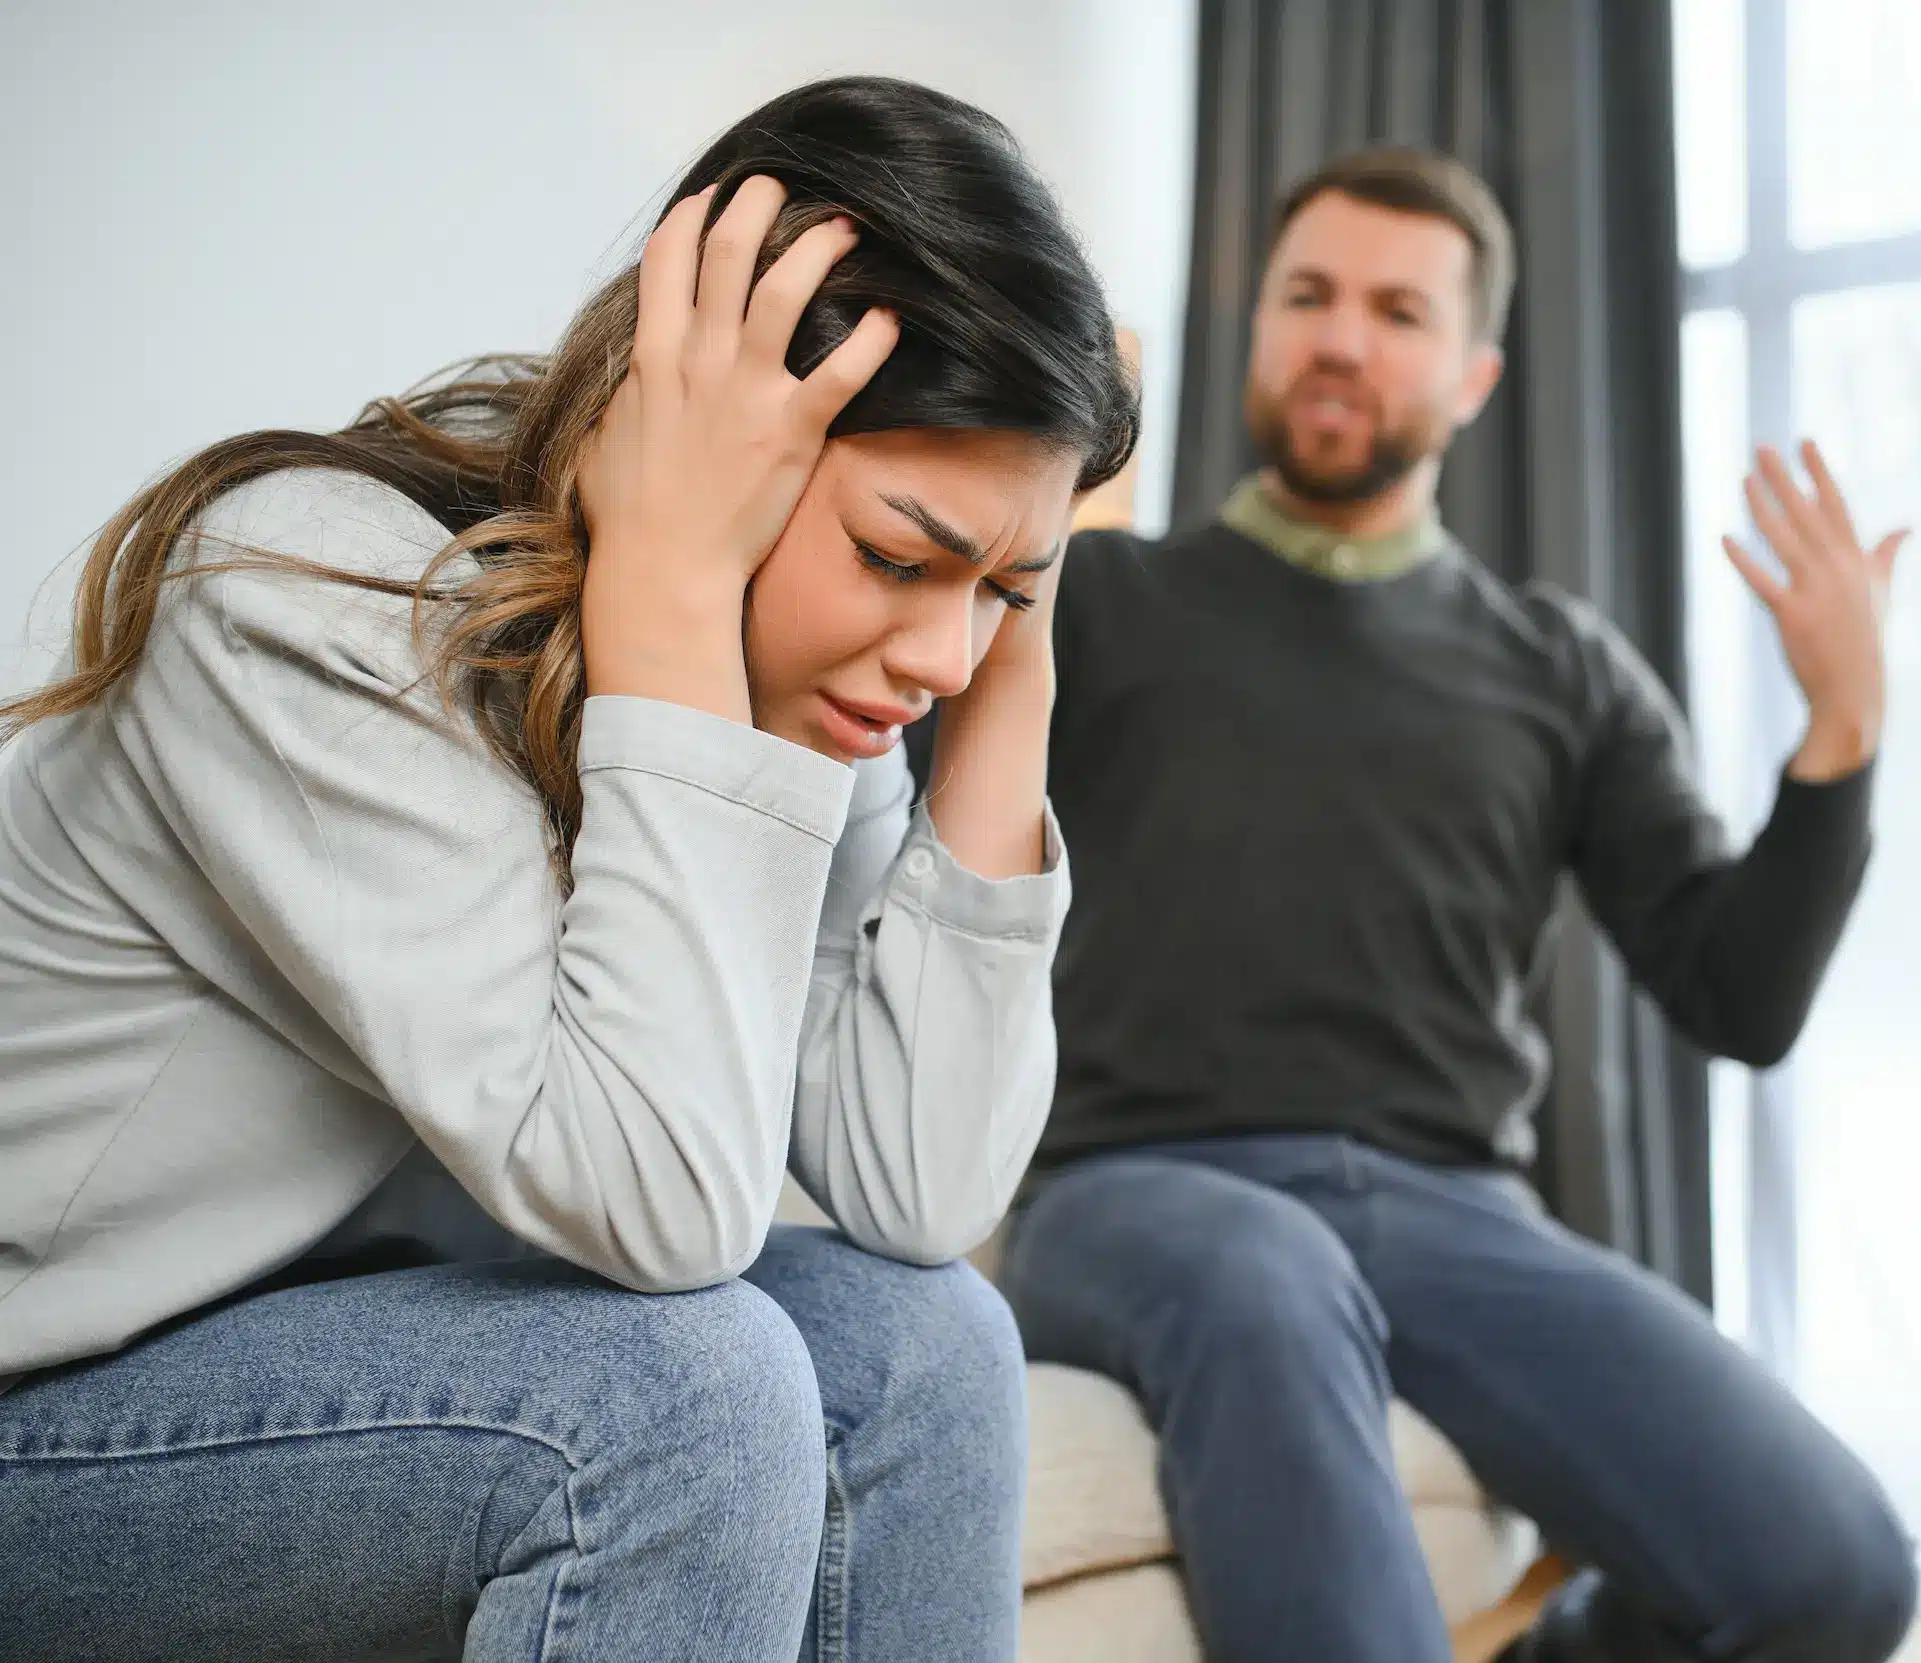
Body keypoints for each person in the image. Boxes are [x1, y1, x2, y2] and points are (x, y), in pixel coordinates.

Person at [0, 76, 1134, 1662]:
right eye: (898, 556)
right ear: (710, 431)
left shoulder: (815, 690)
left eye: (1003, 585)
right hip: (46, 1414)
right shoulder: (312, 605)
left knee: (931, 1343)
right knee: (686, 1399)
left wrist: (1019, 659)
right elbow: (661, 1213)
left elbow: (919, 1186)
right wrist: (675, 583)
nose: (941, 650)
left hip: (346, 1362)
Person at [999, 148, 1916, 1663]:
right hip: (1132, 1188)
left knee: (1838, 1571)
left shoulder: (1561, 667)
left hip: (1449, 1210)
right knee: (1264, 1270)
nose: (1343, 335)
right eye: (1308, 295)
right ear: (1261, 332)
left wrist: (1843, 729)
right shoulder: (1102, 602)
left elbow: (1739, 997)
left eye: (1397, 310)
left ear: (1475, 373)